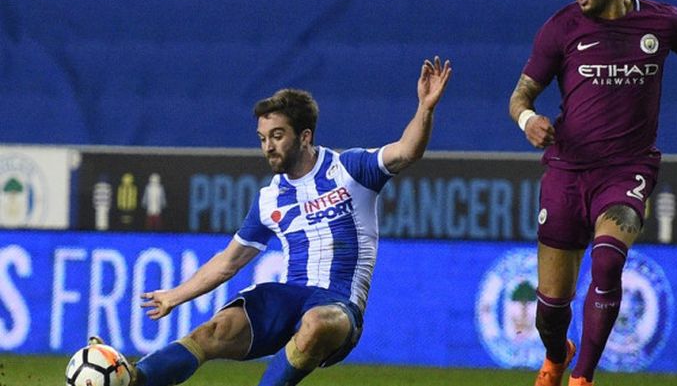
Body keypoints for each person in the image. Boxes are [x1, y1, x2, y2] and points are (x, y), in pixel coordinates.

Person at [91, 56, 451, 386]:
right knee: (213, 331)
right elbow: (228, 262)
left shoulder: (350, 169)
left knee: (317, 324)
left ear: (304, 136)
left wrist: (425, 108)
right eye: (263, 139)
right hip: (288, 296)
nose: (268, 146)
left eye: (277, 136)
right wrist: (174, 296)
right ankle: (136, 380)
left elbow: (407, 150)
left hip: (339, 305)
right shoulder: (269, 199)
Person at [508, 0, 677, 386]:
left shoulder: (663, 22)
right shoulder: (561, 28)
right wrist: (528, 120)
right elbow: (520, 95)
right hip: (567, 171)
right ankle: (558, 354)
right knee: (550, 310)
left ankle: (583, 377)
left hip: (627, 170)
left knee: (609, 260)